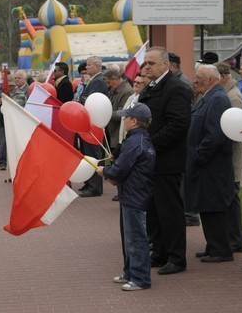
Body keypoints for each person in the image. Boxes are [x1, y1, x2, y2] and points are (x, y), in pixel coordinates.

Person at [138, 46, 191, 275]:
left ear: (165, 65)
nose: (146, 67)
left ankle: (177, 257)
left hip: (166, 161)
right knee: (154, 211)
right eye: (145, 63)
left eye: (151, 63)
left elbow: (177, 124)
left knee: (169, 211)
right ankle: (159, 252)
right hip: (149, 161)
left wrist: (149, 145)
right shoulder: (149, 88)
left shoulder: (176, 88)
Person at [96, 103, 156, 291]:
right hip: (133, 192)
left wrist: (104, 171)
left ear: (134, 121)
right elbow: (123, 164)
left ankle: (140, 278)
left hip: (134, 194)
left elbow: (121, 168)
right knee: (129, 236)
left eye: (126, 117)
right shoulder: (138, 139)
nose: (124, 120)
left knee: (136, 237)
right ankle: (130, 272)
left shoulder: (135, 142)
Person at [185, 65, 234, 262]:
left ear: (212, 80)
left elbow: (214, 136)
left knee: (214, 207)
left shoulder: (218, 99)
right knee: (206, 205)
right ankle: (213, 245)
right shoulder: (208, 96)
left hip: (212, 166)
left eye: (199, 78)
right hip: (206, 165)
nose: (195, 81)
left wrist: (198, 156)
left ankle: (221, 249)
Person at [214, 62, 242, 252]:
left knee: (232, 199)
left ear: (224, 77)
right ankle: (230, 238)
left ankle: (236, 240)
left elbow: (237, 131)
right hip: (224, 156)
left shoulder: (234, 97)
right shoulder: (226, 94)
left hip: (231, 156)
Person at [78, 56, 109, 197]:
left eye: (89, 65)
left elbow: (90, 101)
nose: (86, 67)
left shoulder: (98, 82)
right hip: (89, 125)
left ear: (96, 67)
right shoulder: (93, 81)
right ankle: (90, 183)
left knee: (93, 155)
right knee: (88, 154)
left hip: (94, 125)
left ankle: (95, 187)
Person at [105, 69, 133, 152]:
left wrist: (104, 114)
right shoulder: (115, 90)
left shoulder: (126, 91)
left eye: (108, 82)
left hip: (119, 136)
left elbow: (122, 114)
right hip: (113, 134)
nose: (108, 85)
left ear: (115, 79)